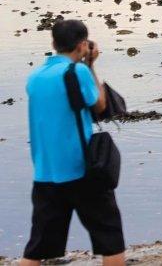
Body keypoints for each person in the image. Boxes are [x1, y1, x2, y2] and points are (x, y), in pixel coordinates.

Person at [22, 20, 124, 266]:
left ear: (53, 43)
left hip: (45, 173)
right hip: (82, 169)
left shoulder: (34, 77)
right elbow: (99, 104)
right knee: (110, 241)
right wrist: (89, 65)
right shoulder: (76, 71)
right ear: (82, 45)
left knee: (36, 249)